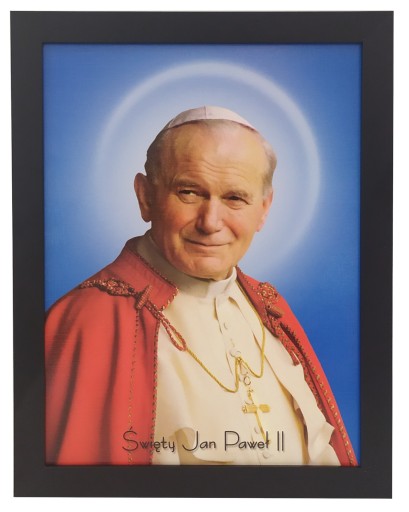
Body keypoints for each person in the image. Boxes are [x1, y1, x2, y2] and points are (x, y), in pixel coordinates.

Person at [45, 106, 357, 467]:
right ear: (146, 197)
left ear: (264, 208)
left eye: (235, 198)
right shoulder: (89, 319)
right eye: (189, 192)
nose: (210, 222)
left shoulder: (271, 308)